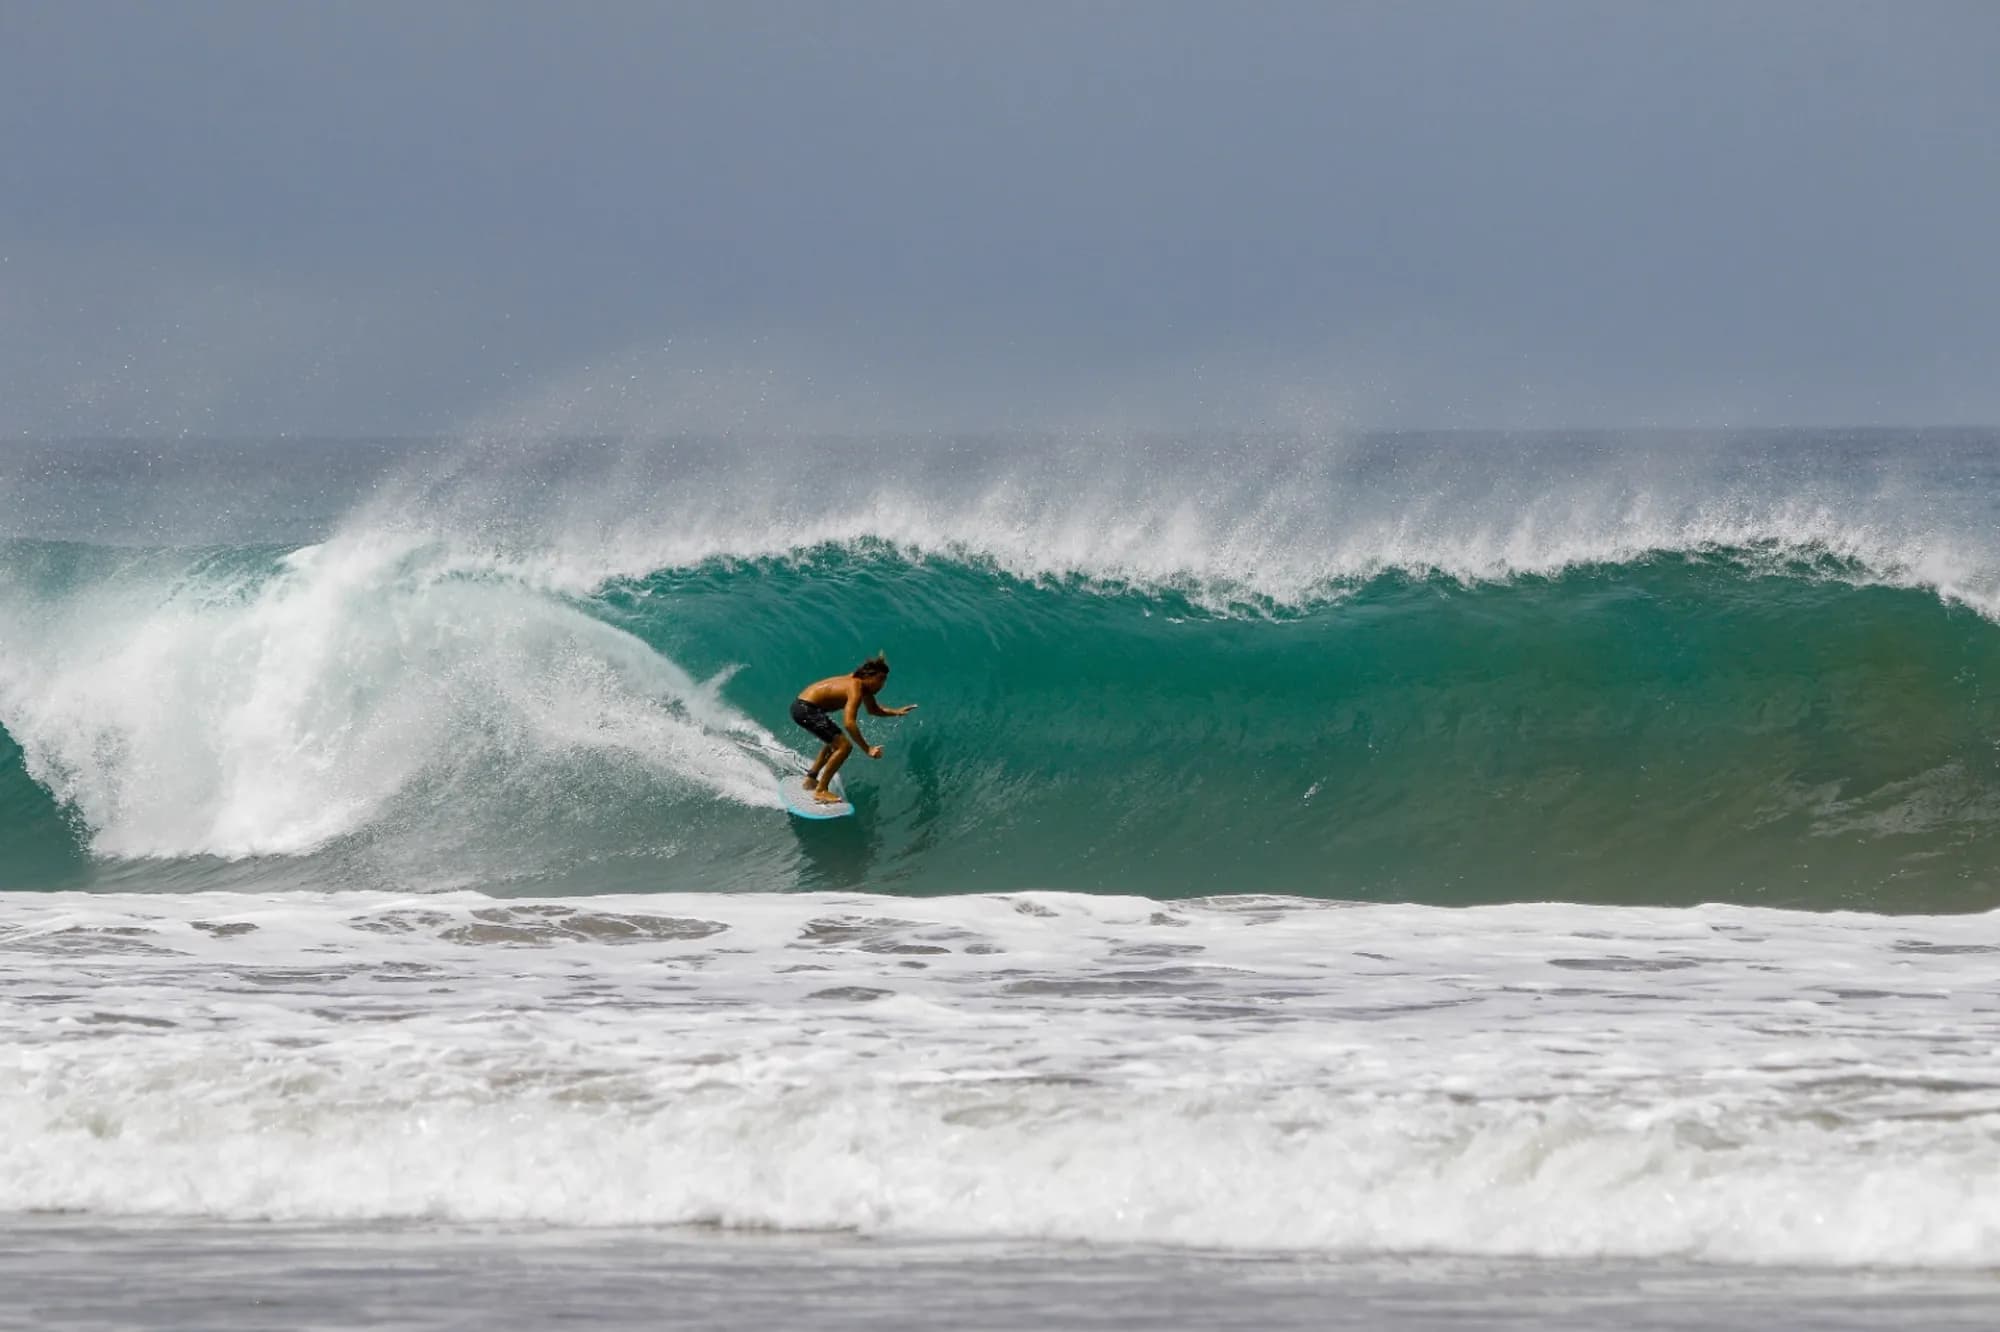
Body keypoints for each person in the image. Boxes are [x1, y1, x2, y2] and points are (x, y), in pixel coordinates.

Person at [789, 654, 918, 803]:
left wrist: (897, 712)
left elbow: (873, 709)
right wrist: (867, 749)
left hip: (803, 707)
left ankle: (811, 779)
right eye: (880, 680)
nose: (882, 685)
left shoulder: (863, 686)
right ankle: (821, 790)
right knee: (844, 747)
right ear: (869, 677)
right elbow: (849, 723)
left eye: (884, 681)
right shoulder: (855, 687)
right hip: (806, 708)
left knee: (835, 742)